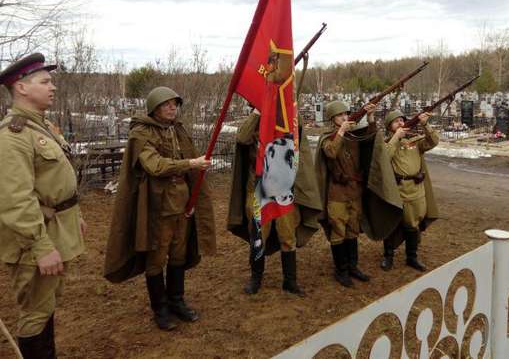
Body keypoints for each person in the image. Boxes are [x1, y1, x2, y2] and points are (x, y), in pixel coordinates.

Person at [104, 86, 216, 331]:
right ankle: (160, 309)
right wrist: (190, 164)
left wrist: (193, 196)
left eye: (175, 103)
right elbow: (154, 165)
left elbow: (191, 163)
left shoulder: (178, 130)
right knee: (157, 257)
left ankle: (177, 302)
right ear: (154, 107)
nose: (172, 107)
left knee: (178, 254)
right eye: (167, 104)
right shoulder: (140, 134)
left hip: (182, 204)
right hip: (158, 207)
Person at [0, 53, 86, 358]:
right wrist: (40, 246)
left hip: (54, 229)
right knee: (35, 314)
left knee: (47, 305)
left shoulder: (42, 127)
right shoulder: (14, 136)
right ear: (21, 88)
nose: (53, 87)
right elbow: (15, 200)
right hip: (34, 241)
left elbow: (51, 182)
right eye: (45, 81)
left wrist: (73, 215)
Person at [227, 109, 322, 296]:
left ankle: (290, 281)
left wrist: (291, 108)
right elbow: (242, 138)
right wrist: (257, 112)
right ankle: (256, 278)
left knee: (288, 236)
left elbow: (299, 131)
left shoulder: (288, 115)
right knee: (258, 236)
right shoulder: (255, 120)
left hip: (283, 189)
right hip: (259, 189)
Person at [315, 101, 377, 287]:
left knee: (352, 230)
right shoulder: (328, 137)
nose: (345, 117)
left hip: (354, 192)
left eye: (346, 114)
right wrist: (341, 131)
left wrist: (370, 116)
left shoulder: (353, 136)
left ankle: (353, 266)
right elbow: (331, 153)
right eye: (340, 115)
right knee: (338, 231)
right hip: (337, 194)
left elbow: (371, 140)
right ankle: (340, 271)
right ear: (333, 118)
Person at [380, 109, 439, 272]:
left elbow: (433, 141)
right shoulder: (387, 143)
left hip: (415, 189)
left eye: (402, 120)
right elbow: (384, 157)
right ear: (389, 127)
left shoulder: (415, 141)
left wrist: (425, 124)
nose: (400, 123)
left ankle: (412, 257)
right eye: (396, 121)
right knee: (391, 224)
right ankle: (388, 256)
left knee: (413, 224)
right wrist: (396, 138)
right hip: (397, 190)